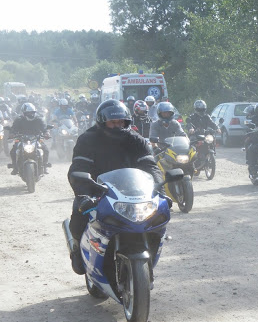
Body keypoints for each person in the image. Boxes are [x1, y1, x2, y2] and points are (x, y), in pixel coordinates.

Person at [66, 100, 165, 275]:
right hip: (96, 190)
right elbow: (79, 168)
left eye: (121, 122)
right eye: (112, 122)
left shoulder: (136, 140)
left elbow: (150, 166)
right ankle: (77, 249)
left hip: (132, 191)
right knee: (78, 215)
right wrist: (83, 194)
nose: (117, 126)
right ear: (102, 122)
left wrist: (159, 191)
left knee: (153, 220)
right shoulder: (88, 140)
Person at [9, 103, 51, 175]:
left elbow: (44, 128)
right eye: (28, 113)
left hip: (36, 139)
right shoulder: (19, 120)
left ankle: (44, 166)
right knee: (13, 151)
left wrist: (46, 133)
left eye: (32, 112)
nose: (30, 114)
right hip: (21, 139)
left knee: (45, 150)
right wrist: (12, 134)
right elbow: (13, 129)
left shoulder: (38, 119)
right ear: (24, 113)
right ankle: (15, 167)